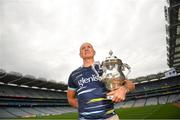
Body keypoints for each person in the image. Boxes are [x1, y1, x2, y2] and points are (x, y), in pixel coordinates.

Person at [67, 42, 135, 120]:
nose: (86, 48)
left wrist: (123, 89)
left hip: (109, 118)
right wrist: (84, 107)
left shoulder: (106, 67)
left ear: (94, 52)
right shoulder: (74, 74)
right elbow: (70, 98)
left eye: (89, 47)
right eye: (83, 48)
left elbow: (131, 85)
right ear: (80, 54)